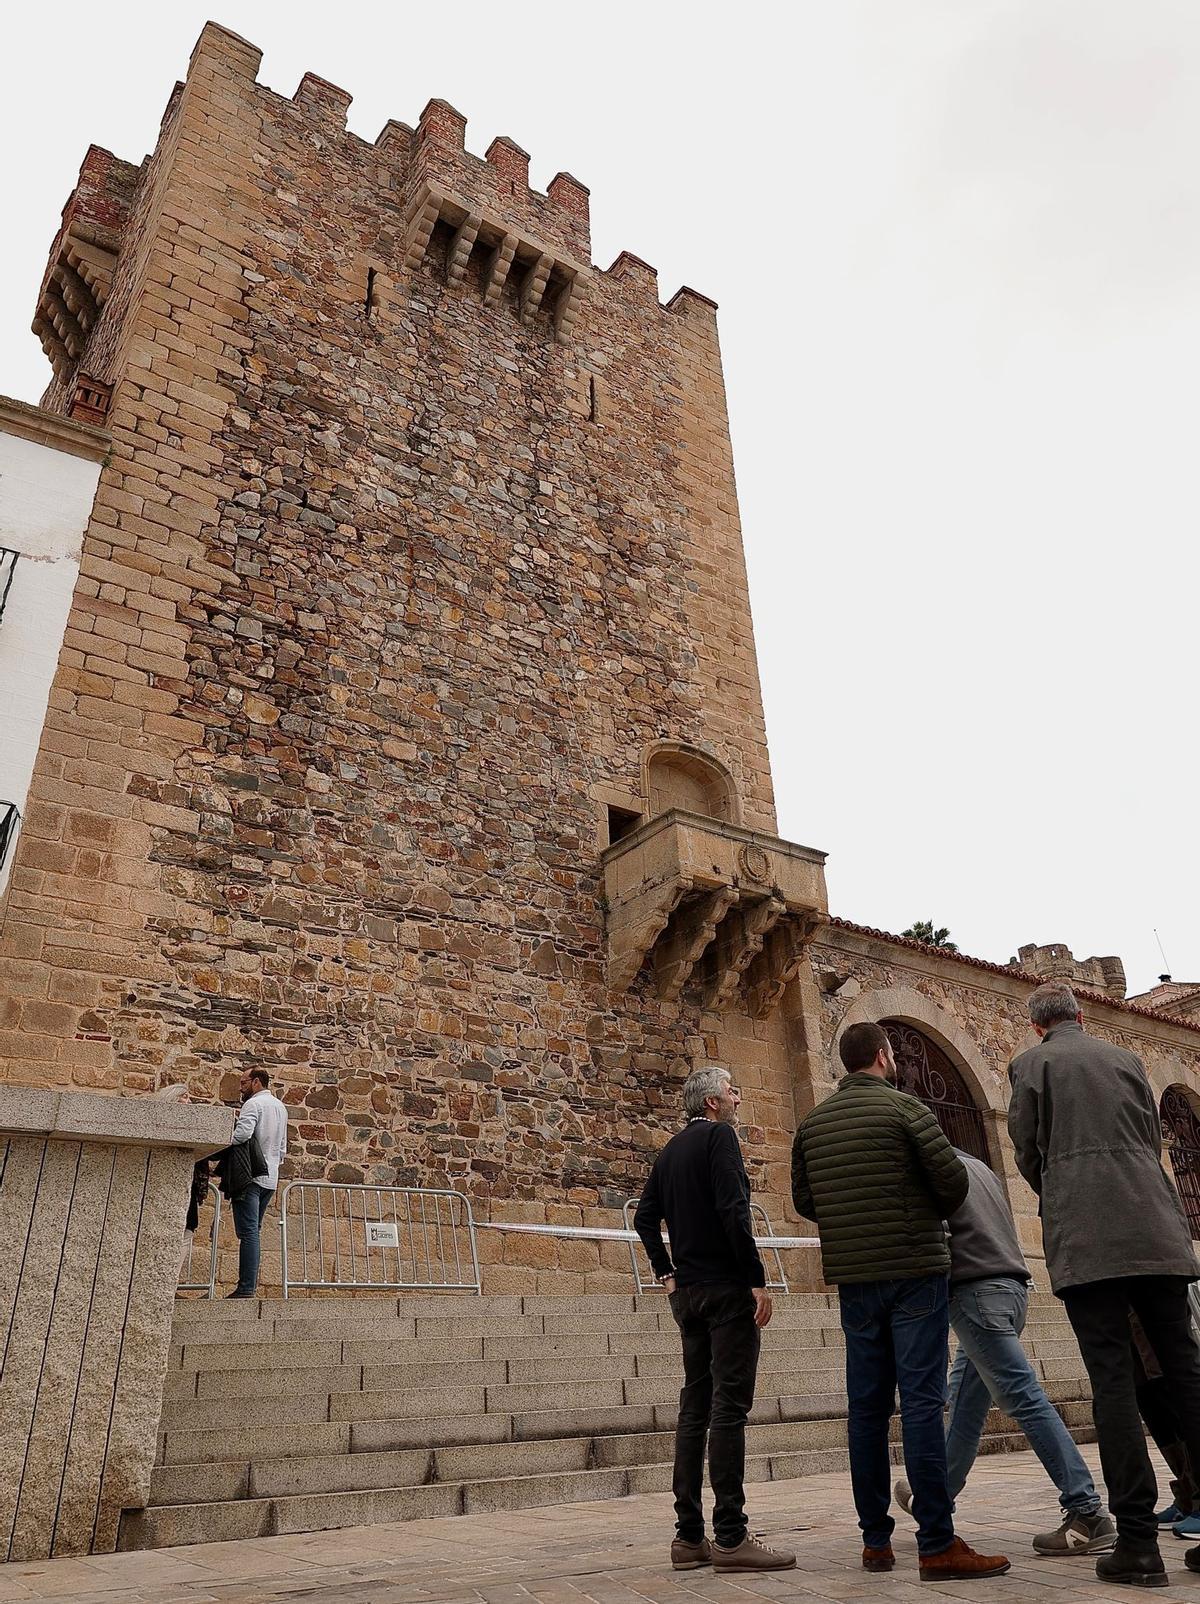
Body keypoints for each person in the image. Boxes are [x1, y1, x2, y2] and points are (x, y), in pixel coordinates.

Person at [791, 1021, 1010, 1580]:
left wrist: (855, 1220)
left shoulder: (812, 1125)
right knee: (919, 1403)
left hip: (856, 1278)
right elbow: (952, 1185)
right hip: (915, 1270)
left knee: (865, 1411)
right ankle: (936, 1542)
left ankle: (875, 1542)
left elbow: (805, 1199)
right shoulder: (909, 1112)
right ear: (884, 1057)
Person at [1008, 982, 1200, 1587]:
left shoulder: (1030, 1064)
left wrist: (1065, 1191)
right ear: (1081, 1015)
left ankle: (1138, 1544)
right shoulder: (1127, 1058)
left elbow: (1025, 1150)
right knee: (1188, 1370)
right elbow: (1147, 1137)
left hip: (1090, 1242)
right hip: (1157, 1230)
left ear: (1038, 1026)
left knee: (1113, 1381)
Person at [894, 1147, 1115, 1554]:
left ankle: (1087, 1511)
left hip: (975, 1294)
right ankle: (934, 1498)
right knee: (967, 1401)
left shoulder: (927, 1165)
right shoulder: (978, 1165)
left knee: (1024, 1398)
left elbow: (929, 1235)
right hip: (1011, 1290)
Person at [634, 1065, 796, 1575]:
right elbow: (734, 1210)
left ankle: (687, 1537)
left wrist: (667, 1273)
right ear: (711, 1104)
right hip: (726, 1291)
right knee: (729, 1407)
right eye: (731, 1092)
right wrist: (756, 1278)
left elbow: (643, 1216)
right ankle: (730, 1535)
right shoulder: (719, 1138)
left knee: (695, 1408)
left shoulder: (669, 1152)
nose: (738, 1098)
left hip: (689, 1294)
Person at [228, 1067, 288, 1299]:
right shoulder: (280, 1107)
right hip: (270, 1178)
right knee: (254, 1230)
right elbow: (282, 1147)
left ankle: (246, 1288)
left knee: (249, 1232)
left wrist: (225, 1139)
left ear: (255, 1082)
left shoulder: (253, 1104)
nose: (240, 1088)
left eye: (243, 1083)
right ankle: (247, 1286)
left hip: (249, 1175)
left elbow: (242, 1135)